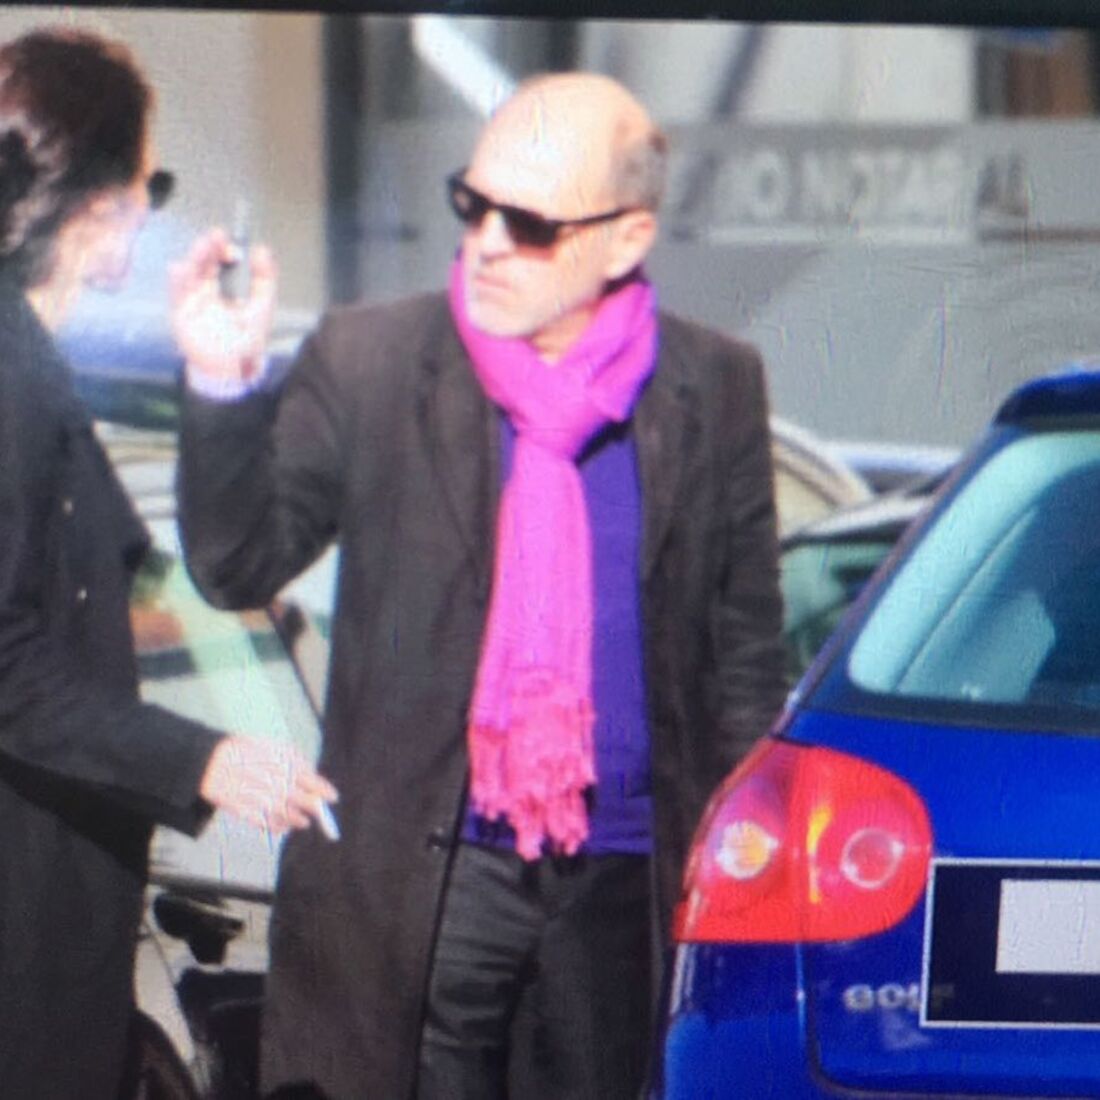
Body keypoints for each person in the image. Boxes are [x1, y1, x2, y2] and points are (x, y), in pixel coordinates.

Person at [171, 72, 788, 1100]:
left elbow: (742, 655)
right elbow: (236, 565)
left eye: (531, 222)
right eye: (475, 203)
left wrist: (729, 870)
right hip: (422, 882)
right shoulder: (373, 359)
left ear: (625, 239)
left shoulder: (713, 381)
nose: (490, 240)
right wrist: (223, 386)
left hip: (623, 884)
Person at [0, 27, 338, 1099]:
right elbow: (7, 662)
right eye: (149, 182)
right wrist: (203, 756)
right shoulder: (13, 385)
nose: (151, 210)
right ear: (103, 203)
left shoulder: (32, 369)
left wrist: (216, 370)